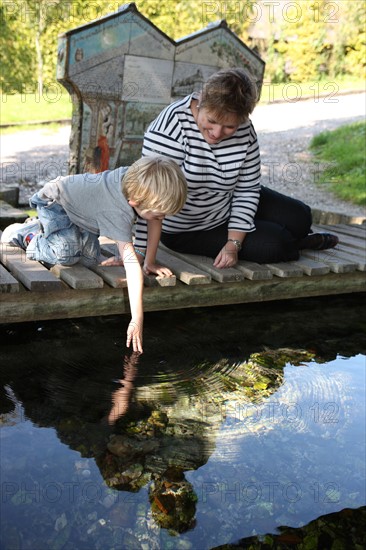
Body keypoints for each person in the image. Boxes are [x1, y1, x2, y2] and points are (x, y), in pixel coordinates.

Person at [133, 67, 338, 268]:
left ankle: (285, 232)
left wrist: (233, 242)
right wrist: (141, 252)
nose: (216, 132)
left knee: (301, 216)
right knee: (277, 244)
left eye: (229, 126)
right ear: (201, 99)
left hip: (226, 200)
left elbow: (247, 189)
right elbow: (149, 196)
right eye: (211, 121)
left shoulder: (244, 129)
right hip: (187, 228)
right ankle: (298, 243)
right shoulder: (169, 128)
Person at [1, 156, 187, 353]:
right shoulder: (118, 210)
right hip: (55, 203)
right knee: (68, 255)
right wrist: (137, 318)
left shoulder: (137, 183)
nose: (161, 219)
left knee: (89, 259)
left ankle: (55, 233)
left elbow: (154, 221)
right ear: (134, 202)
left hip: (84, 214)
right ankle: (27, 234)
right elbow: (132, 267)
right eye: (159, 214)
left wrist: (149, 262)